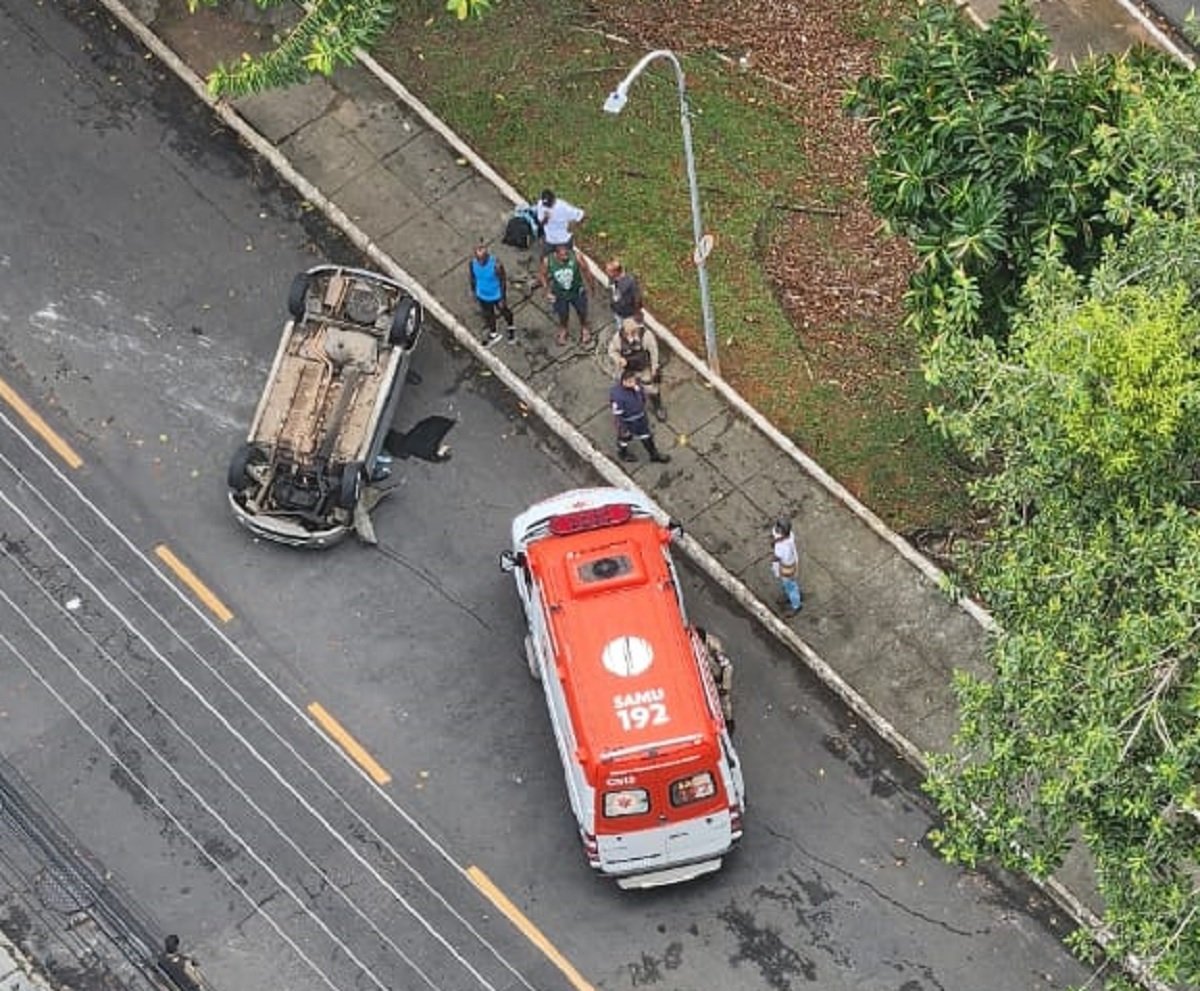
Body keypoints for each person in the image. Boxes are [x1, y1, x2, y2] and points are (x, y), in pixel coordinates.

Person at [610, 366, 671, 464]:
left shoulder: (636, 386)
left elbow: (642, 396)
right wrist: (623, 429)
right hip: (630, 421)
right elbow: (618, 415)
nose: (633, 383)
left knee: (646, 436)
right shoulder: (618, 396)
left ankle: (654, 455)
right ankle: (623, 452)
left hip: (641, 417)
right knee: (625, 437)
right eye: (630, 382)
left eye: (633, 381)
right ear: (623, 381)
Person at [540, 243, 595, 346]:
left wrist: (591, 287)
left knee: (582, 311)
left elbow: (586, 271)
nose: (566, 256)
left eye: (567, 254)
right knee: (563, 314)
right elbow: (542, 275)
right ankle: (564, 329)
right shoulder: (548, 261)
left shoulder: (576, 257)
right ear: (556, 254)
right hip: (560, 294)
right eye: (563, 255)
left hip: (577, 291)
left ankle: (584, 327)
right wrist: (546, 291)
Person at [468, 242, 517, 346]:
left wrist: (503, 298)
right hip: (482, 295)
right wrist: (474, 291)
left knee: (504, 312)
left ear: (487, 256)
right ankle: (493, 333)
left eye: (482, 258)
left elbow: (502, 281)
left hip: (496, 295)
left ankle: (511, 326)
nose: (480, 261)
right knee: (488, 314)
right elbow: (473, 278)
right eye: (478, 258)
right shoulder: (472, 263)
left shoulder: (496, 265)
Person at [695, 626, 735, 733]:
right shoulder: (697, 641)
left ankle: (729, 722)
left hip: (718, 678)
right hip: (707, 674)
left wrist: (725, 686)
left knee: (724, 702)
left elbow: (727, 667)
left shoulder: (715, 647)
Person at [535, 189, 584, 254]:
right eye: (546, 205)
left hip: (564, 241)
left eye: (550, 204)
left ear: (554, 199)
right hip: (549, 240)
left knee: (566, 260)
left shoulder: (564, 207)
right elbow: (541, 223)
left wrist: (574, 227)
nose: (548, 207)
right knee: (547, 260)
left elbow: (581, 214)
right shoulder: (541, 205)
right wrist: (546, 218)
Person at [771, 519, 803, 617]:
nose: (775, 530)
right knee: (789, 585)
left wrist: (775, 564)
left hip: (787, 568)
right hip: (789, 564)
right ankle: (792, 595)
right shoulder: (788, 537)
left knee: (790, 586)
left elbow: (779, 558)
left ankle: (796, 605)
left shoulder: (784, 547)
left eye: (778, 529)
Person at [605, 258, 643, 332]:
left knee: (631, 333)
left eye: (608, 271)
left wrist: (637, 313)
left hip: (629, 315)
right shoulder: (612, 278)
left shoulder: (630, 282)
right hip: (618, 312)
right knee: (621, 330)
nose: (606, 272)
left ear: (616, 272)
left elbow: (637, 298)